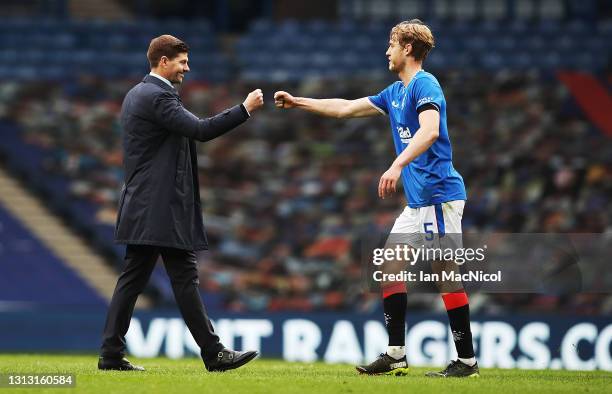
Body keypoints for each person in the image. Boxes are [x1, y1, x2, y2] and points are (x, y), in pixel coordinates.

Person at [274, 20, 479, 377]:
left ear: (408, 49)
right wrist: (298, 101)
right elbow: (345, 108)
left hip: (438, 196)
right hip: (418, 203)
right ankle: (396, 354)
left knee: (445, 274)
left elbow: (430, 132)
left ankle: (466, 361)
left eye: (392, 44)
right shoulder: (394, 92)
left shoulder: (424, 84)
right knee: (388, 268)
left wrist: (396, 165)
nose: (387, 51)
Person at [98, 35, 264, 372]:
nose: (187, 68)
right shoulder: (157, 97)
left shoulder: (138, 94)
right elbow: (200, 130)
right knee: (179, 277)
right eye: (182, 62)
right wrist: (244, 110)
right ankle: (212, 353)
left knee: (134, 280)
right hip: (160, 206)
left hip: (147, 204)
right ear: (163, 61)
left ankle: (111, 354)